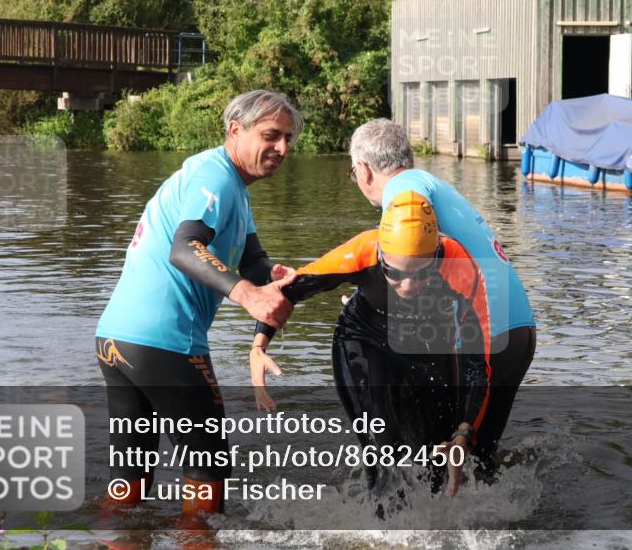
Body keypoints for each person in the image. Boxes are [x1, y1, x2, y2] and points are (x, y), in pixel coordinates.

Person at [95, 90, 303, 520]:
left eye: (287, 139)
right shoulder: (217, 178)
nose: (281, 148)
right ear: (235, 130)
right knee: (208, 485)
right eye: (271, 135)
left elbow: (252, 260)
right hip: (166, 345)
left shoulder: (229, 185)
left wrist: (272, 276)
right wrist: (249, 296)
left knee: (128, 481)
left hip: (117, 339)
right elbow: (185, 249)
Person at [250, 191, 492, 498]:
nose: (407, 286)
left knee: (435, 461)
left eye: (421, 275)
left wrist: (464, 433)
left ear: (436, 257)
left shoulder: (462, 267)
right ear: (380, 256)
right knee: (384, 453)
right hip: (364, 342)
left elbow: (477, 366)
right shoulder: (362, 250)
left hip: (428, 348)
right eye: (394, 273)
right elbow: (288, 290)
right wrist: (259, 346)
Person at [345, 119, 536, 459]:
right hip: (518, 328)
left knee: (437, 458)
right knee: (475, 461)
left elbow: (410, 261)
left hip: (483, 336)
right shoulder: (435, 184)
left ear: (363, 169)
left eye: (353, 173)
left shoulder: (404, 193)